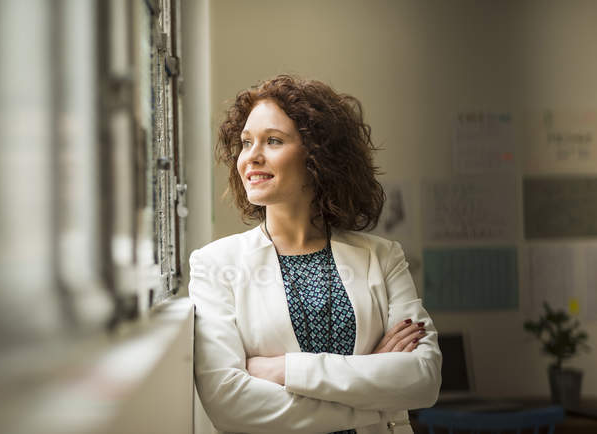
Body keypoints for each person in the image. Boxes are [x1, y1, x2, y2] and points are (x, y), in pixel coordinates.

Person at [189, 75, 441, 434]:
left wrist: (284, 370)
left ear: (316, 157)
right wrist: (374, 394)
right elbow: (231, 404)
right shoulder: (215, 264)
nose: (251, 157)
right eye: (246, 143)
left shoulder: (383, 257)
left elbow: (423, 378)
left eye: (273, 141)